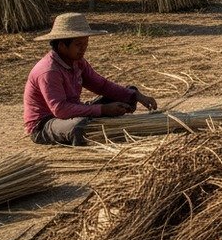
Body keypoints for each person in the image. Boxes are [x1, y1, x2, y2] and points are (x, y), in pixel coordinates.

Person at [23, 12, 158, 146]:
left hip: (73, 113)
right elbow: (60, 110)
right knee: (78, 126)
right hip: (46, 123)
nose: (84, 49)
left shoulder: (78, 62)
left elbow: (102, 86)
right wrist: (103, 110)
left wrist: (136, 95)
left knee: (125, 96)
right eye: (78, 45)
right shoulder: (49, 71)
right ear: (62, 46)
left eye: (86, 43)